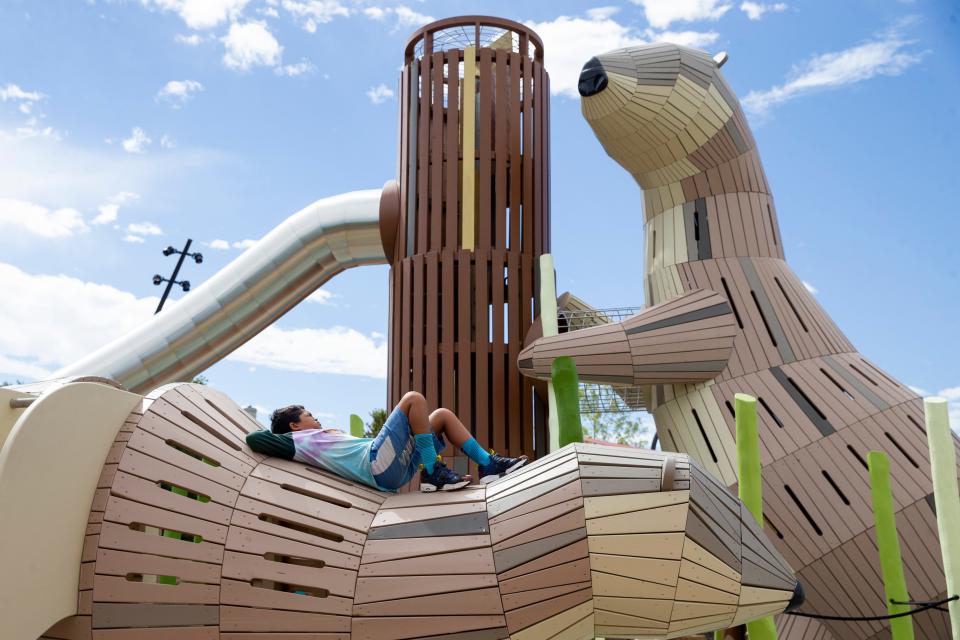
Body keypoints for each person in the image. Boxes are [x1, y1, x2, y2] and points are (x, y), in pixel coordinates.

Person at [246, 391, 526, 492]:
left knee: (441, 416)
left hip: (392, 468)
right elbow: (255, 438)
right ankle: (431, 472)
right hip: (377, 465)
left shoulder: (316, 436)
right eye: (309, 415)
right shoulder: (299, 440)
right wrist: (286, 436)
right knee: (413, 399)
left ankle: (488, 465)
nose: (316, 418)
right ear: (295, 426)